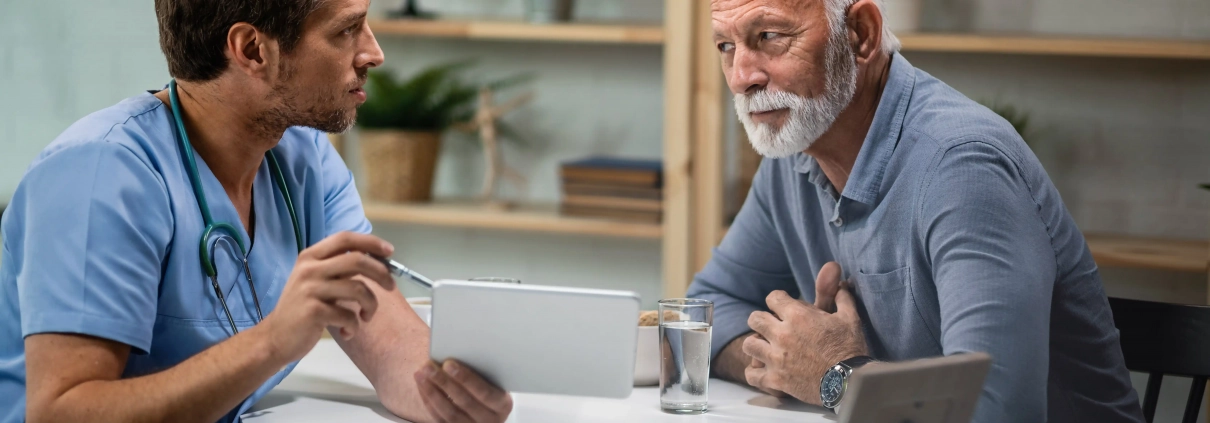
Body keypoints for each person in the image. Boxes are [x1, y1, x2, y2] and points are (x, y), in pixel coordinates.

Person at [0, 1, 512, 422]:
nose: (373, 53)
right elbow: (60, 412)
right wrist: (272, 342)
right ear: (252, 50)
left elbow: (395, 349)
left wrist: (458, 396)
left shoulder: (305, 160)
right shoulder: (99, 176)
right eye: (347, 30)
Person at [688, 0, 1146, 421]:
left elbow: (997, 410)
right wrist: (782, 361)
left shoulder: (964, 166)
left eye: (769, 36)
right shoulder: (796, 150)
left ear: (861, 34)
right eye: (726, 46)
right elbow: (700, 314)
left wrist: (836, 374)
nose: (741, 77)